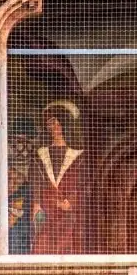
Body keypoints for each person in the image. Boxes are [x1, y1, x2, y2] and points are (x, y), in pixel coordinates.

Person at [30, 101, 90, 254]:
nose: (55, 127)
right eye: (51, 123)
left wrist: (71, 202)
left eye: (58, 122)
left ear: (65, 124)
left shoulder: (79, 156)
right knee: (43, 246)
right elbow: (36, 182)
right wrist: (37, 204)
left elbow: (84, 185)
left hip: (68, 213)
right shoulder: (40, 155)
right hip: (47, 210)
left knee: (68, 246)